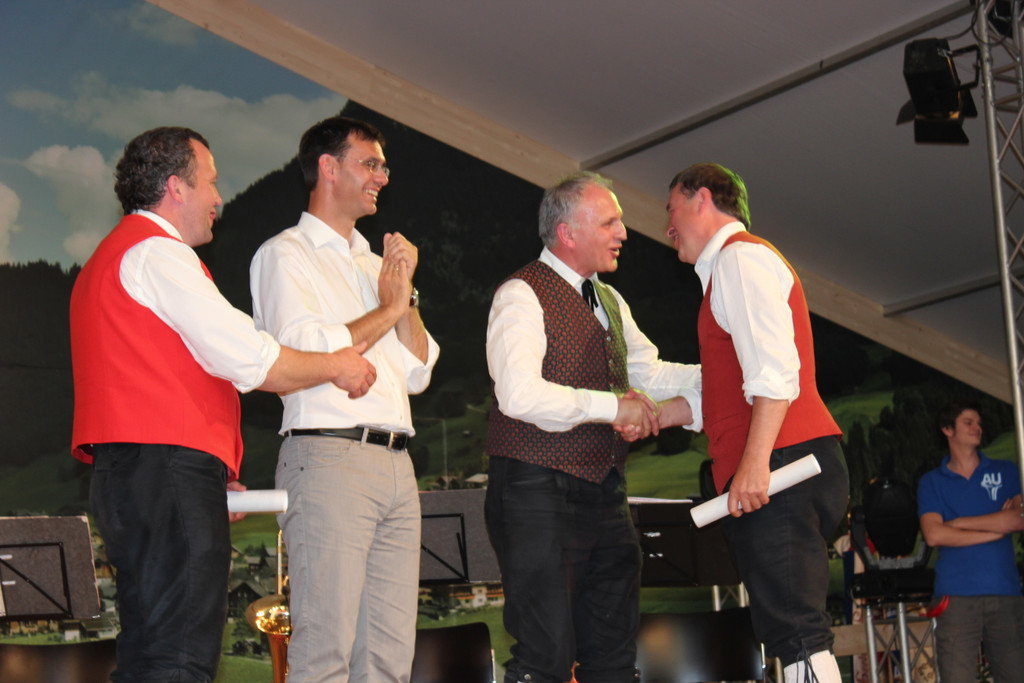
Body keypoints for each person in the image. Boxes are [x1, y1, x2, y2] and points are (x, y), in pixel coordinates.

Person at [70, 126, 376, 683]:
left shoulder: (113, 257)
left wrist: (210, 472)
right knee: (179, 659)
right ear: (175, 187)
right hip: (164, 471)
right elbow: (248, 357)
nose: (218, 197)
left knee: (149, 654)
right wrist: (336, 364)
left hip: (134, 474)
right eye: (210, 182)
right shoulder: (158, 253)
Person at [485, 171, 702, 683]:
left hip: (605, 492)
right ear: (567, 232)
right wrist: (613, 408)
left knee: (613, 659)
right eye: (609, 222)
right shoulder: (520, 294)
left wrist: (724, 371)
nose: (623, 233)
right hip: (535, 491)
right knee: (544, 659)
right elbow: (518, 394)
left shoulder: (610, 300)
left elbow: (650, 373)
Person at [250, 116, 439, 683]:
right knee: (324, 653)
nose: (383, 176)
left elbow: (419, 370)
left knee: (387, 659)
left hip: (396, 462)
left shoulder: (376, 264)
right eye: (370, 163)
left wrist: (404, 297)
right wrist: (389, 306)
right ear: (328, 168)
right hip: (329, 455)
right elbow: (306, 349)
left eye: (384, 165)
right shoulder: (284, 254)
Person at [664, 162, 848, 683]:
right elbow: (731, 393)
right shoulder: (733, 266)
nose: (668, 227)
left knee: (797, 632)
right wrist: (660, 415)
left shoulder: (739, 260)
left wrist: (754, 464)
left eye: (671, 210)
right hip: (787, 463)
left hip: (782, 466)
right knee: (792, 630)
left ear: (702, 199)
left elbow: (774, 373)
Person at [917, 398, 1024, 681]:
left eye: (978, 422)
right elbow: (934, 534)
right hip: (955, 595)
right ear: (947, 429)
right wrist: (996, 528)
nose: (977, 427)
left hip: (1005, 591)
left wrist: (958, 524)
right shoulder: (932, 481)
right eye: (968, 422)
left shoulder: (1006, 471)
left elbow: (1018, 519)